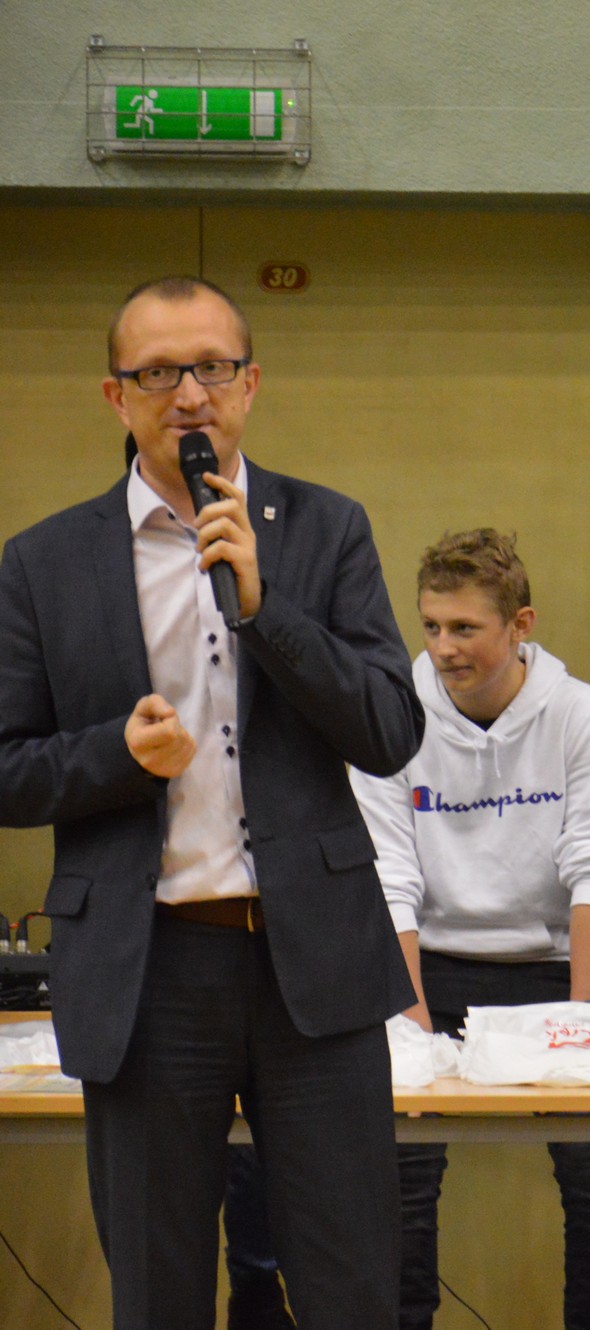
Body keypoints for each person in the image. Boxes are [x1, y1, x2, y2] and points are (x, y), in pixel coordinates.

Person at [0, 275, 423, 1327]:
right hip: (149, 973)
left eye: (211, 368)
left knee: (352, 1290)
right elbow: (7, 767)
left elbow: (389, 730)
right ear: (116, 396)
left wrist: (268, 609)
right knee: (160, 1295)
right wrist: (114, 754)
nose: (189, 394)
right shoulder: (44, 562)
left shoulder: (325, 529)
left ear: (250, 384)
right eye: (157, 373)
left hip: (312, 962)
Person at [349, 528, 590, 1330]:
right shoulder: (391, 717)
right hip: (426, 968)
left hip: (547, 969)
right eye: (431, 626)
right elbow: (389, 882)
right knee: (401, 1178)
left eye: (465, 628)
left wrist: (586, 1024)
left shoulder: (580, 714)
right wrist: (415, 1038)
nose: (444, 648)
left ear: (521, 626)